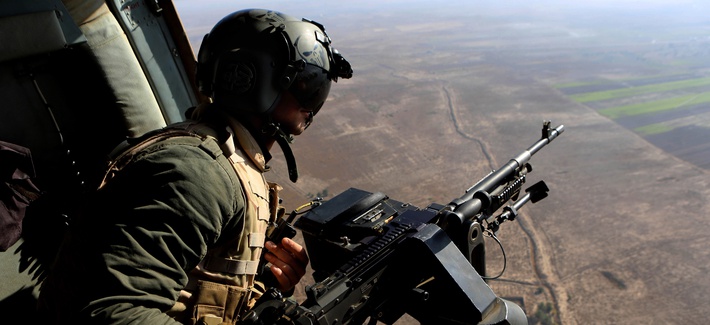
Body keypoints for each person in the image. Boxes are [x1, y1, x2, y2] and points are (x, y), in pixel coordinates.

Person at [37, 8, 352, 324]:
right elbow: (108, 312)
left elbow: (199, 281)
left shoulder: (224, 157)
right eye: (308, 87)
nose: (312, 106)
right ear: (261, 83)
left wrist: (267, 282)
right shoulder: (199, 174)